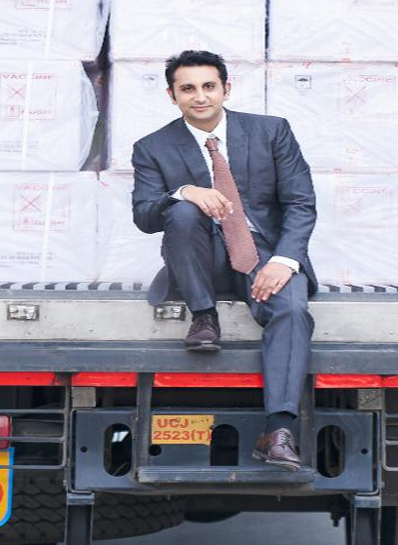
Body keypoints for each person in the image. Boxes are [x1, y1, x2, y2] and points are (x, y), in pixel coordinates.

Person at [131, 50, 317, 471]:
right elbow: (145, 216)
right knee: (181, 211)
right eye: (188, 88)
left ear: (225, 89)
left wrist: (284, 261)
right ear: (172, 95)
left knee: (292, 310)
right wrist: (183, 192)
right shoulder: (152, 147)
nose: (200, 96)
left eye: (208, 86)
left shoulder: (271, 131)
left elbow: (301, 203)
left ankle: (279, 431)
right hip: (201, 260)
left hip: (263, 253)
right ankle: (204, 316)